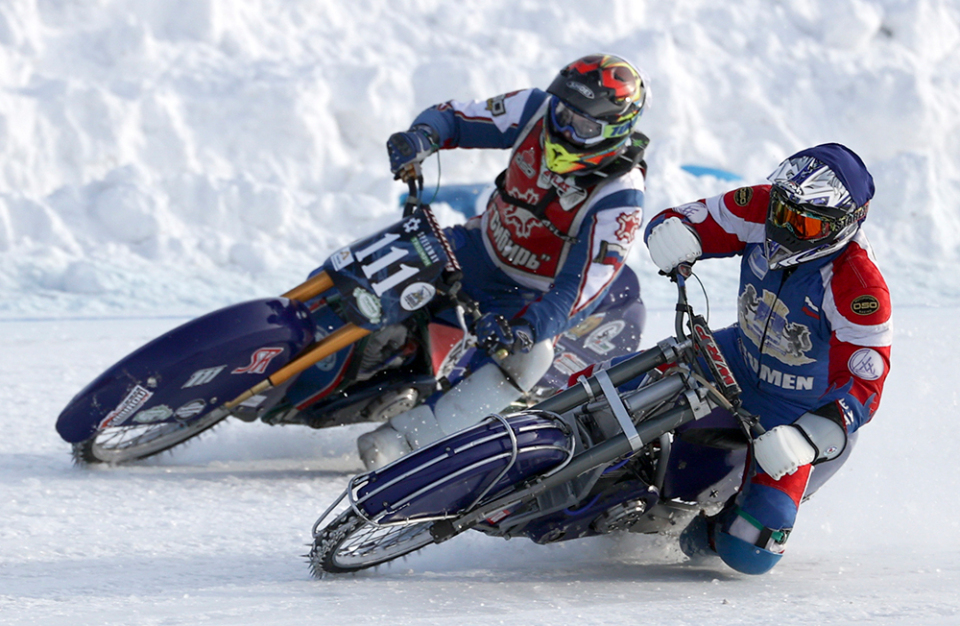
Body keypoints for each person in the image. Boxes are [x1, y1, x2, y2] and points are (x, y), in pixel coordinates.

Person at [357, 53, 651, 470]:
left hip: (525, 295)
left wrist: (529, 329)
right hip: (477, 247)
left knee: (533, 358)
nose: (565, 128)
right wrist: (422, 137)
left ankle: (405, 441)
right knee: (394, 249)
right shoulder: (534, 109)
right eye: (565, 112)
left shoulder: (621, 197)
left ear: (615, 131)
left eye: (584, 126)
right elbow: (456, 117)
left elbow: (581, 289)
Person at [633, 142, 892, 575]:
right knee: (614, 383)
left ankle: (699, 532)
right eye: (782, 212)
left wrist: (808, 437)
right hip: (730, 358)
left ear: (843, 224)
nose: (785, 228)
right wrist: (670, 232)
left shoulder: (860, 287)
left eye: (804, 223)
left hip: (795, 412)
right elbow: (688, 219)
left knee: (752, 550)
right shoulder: (761, 204)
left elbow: (864, 386)